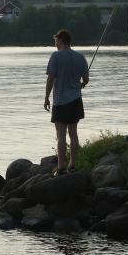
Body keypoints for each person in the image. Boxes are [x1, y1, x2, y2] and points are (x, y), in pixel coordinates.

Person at [44, 30, 89, 176]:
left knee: (61, 134)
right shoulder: (80, 56)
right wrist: (81, 83)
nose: (55, 44)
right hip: (76, 99)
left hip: (61, 101)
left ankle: (61, 168)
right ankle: (72, 165)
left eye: (56, 41)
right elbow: (86, 79)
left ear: (61, 41)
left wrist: (46, 97)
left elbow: (51, 78)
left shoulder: (56, 56)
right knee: (73, 133)